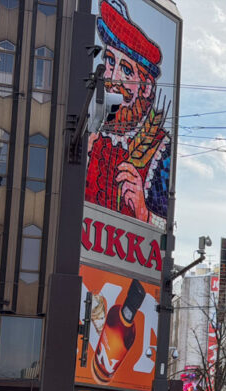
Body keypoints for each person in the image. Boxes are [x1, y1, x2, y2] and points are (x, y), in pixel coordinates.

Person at [86, 0, 171, 227]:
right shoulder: (88, 132)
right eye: (110, 61)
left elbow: (168, 228)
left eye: (125, 70)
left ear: (146, 87)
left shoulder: (161, 150)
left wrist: (145, 213)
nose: (113, 78)